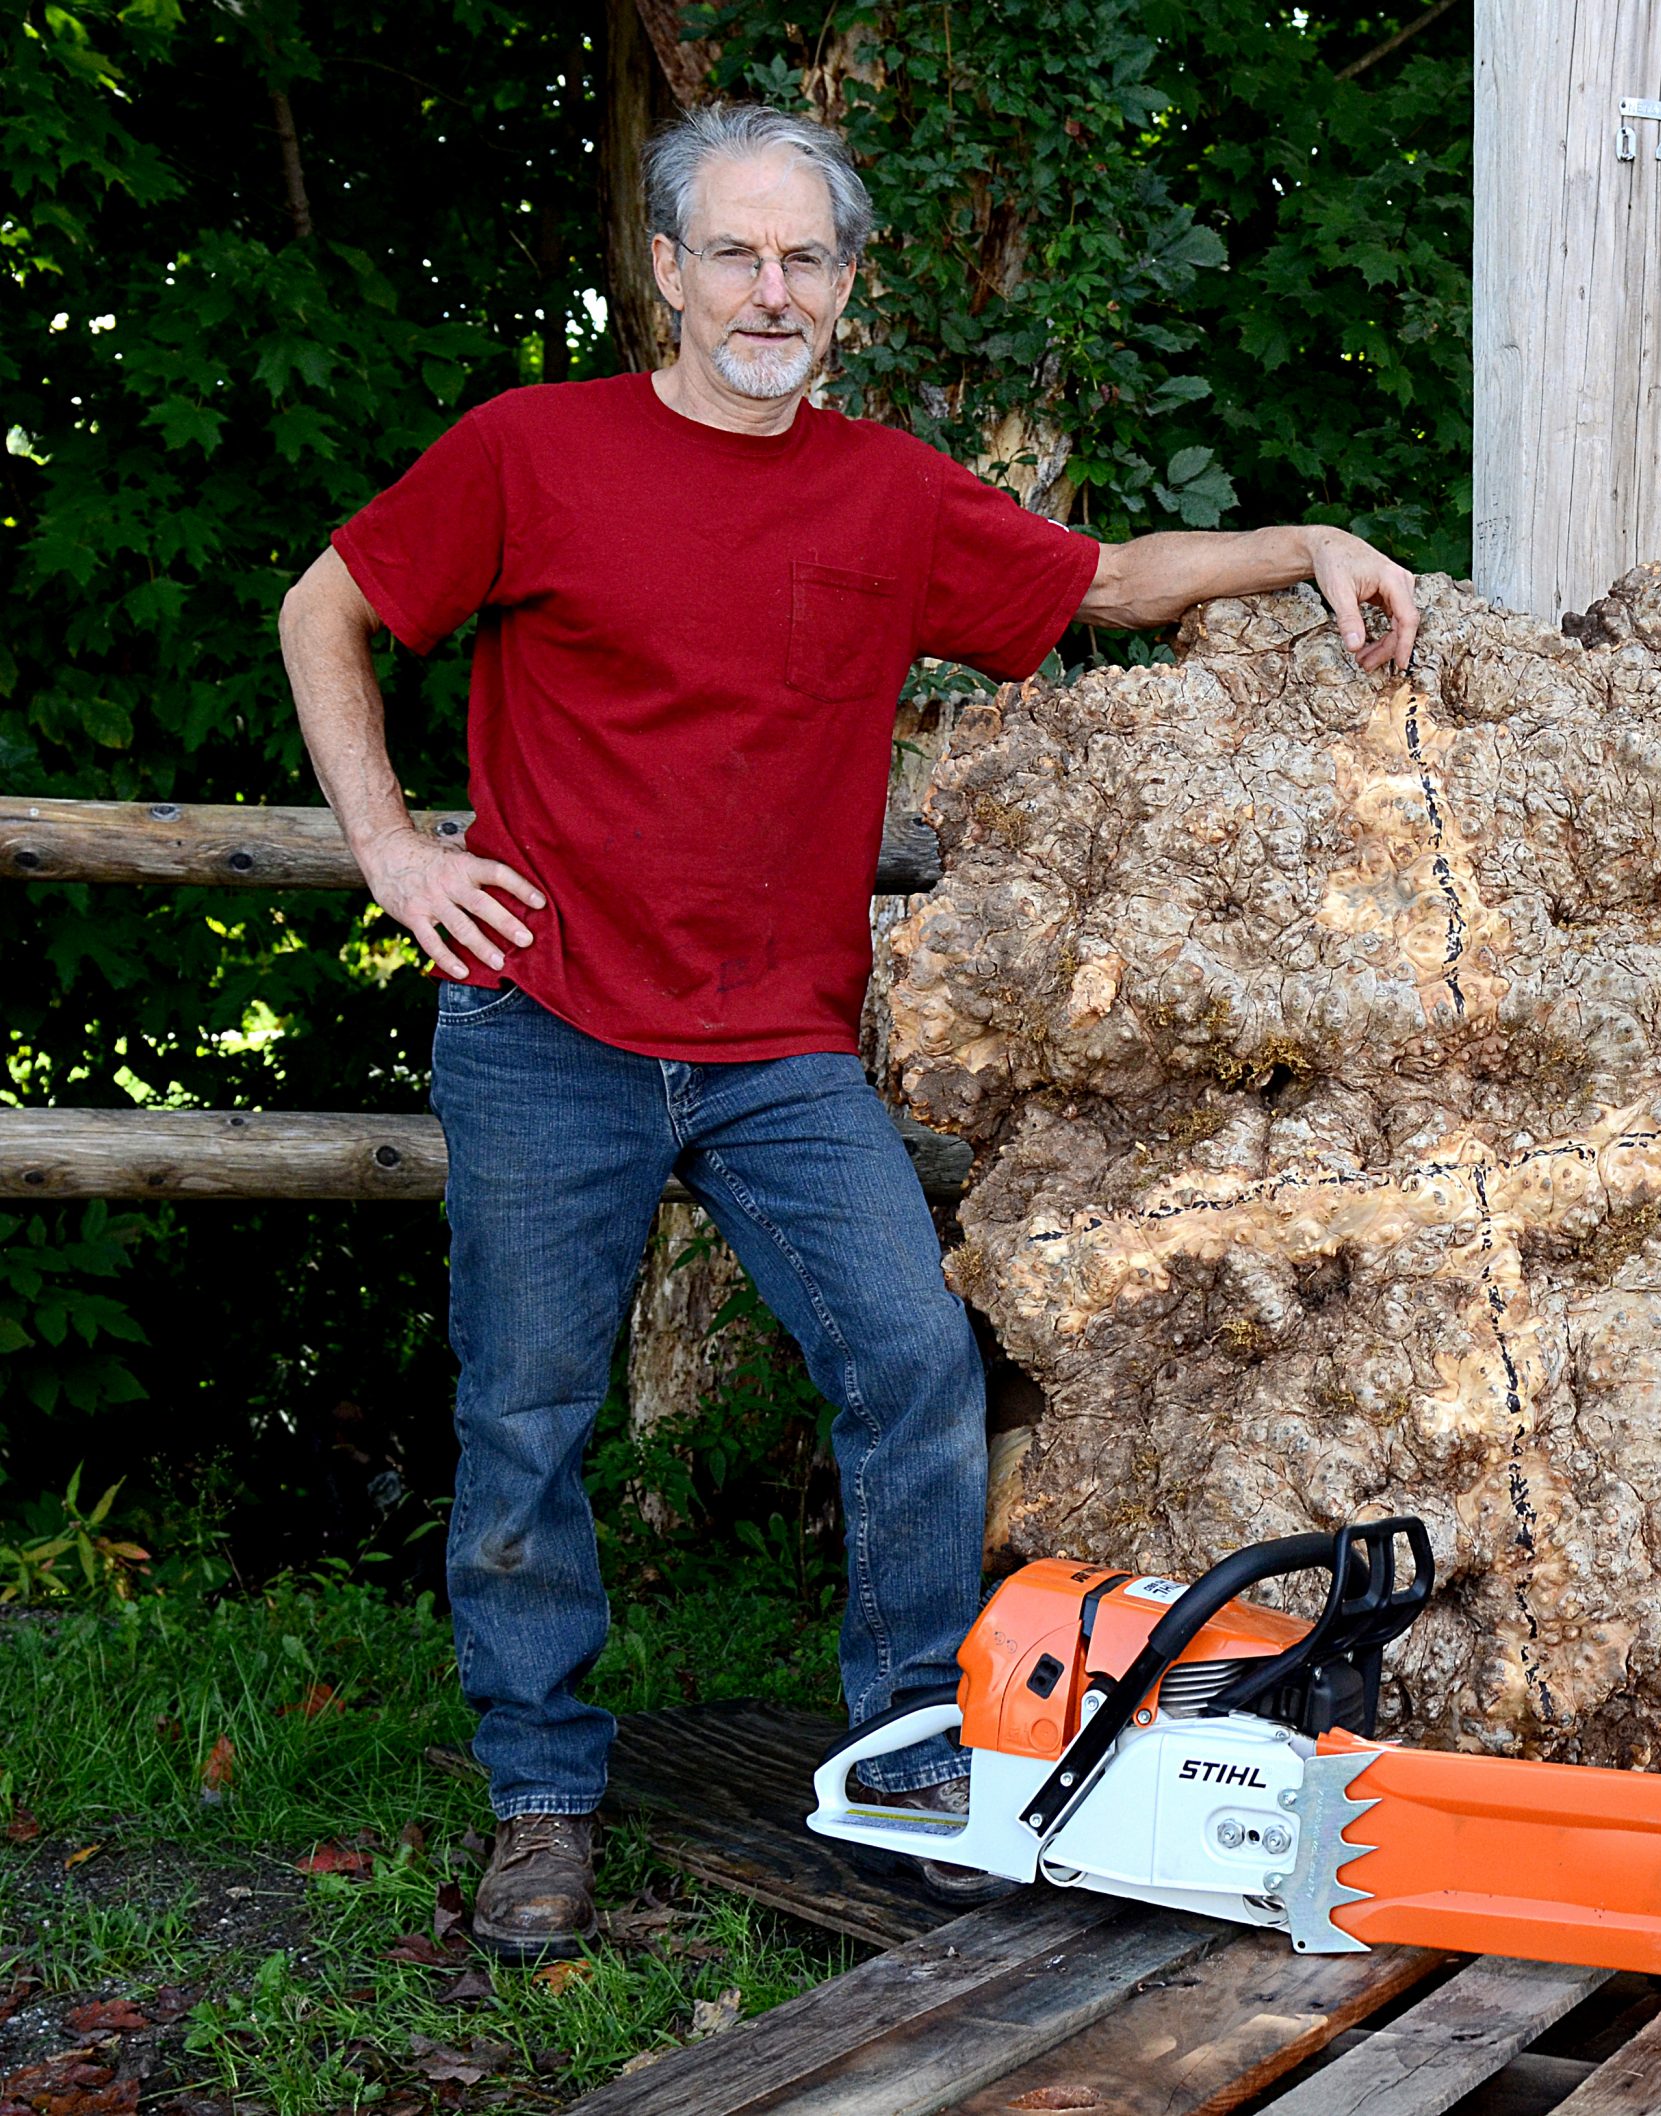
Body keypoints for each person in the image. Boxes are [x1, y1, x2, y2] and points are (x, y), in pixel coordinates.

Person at [276, 101, 1420, 1963]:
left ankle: (904, 1750)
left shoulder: (889, 494)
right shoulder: (528, 451)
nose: (769, 287)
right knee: (526, 1429)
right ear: (660, 271)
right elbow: (326, 608)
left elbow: (1105, 579)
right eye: (732, 250)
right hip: (545, 1025)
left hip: (777, 1052)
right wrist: (394, 849)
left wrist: (1311, 542)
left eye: (805, 256)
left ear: (848, 290)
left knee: (911, 1367)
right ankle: (544, 1795)